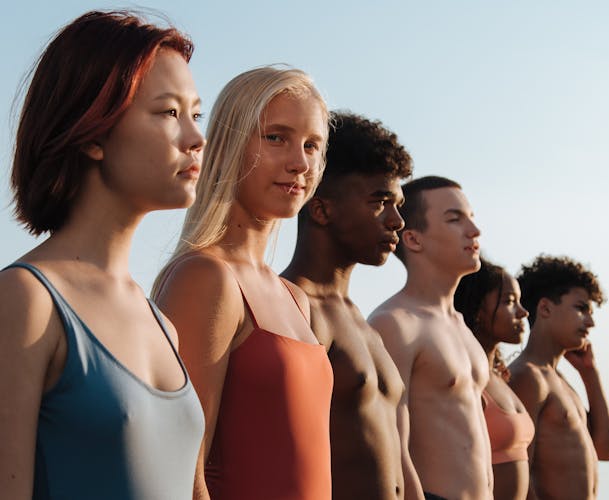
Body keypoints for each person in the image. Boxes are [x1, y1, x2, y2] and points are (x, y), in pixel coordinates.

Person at [0, 10, 206, 499]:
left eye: (196, 114)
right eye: (169, 113)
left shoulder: (162, 323)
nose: (197, 139)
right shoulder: (25, 301)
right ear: (92, 132)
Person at [152, 67, 332, 500]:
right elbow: (180, 469)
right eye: (276, 137)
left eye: (312, 145)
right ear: (230, 144)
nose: (299, 162)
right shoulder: (205, 278)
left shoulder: (295, 298)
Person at [282, 111, 422, 500]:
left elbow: (396, 452)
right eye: (380, 201)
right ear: (322, 208)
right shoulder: (289, 306)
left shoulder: (358, 319)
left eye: (398, 204)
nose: (397, 221)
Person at [369, 176, 493, 500]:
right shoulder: (394, 324)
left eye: (471, 217)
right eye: (455, 219)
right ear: (413, 238)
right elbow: (388, 445)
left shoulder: (461, 328)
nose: (474, 230)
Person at [508, 255, 609, 500]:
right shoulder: (528, 378)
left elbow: (605, 450)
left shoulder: (560, 381)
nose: (591, 322)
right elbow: (517, 476)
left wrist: (590, 373)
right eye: (581, 309)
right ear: (545, 308)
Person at [454, 257, 535, 500]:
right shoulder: (462, 375)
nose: (523, 312)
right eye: (509, 302)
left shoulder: (500, 377)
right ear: (478, 310)